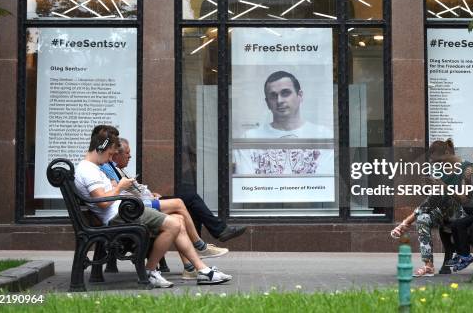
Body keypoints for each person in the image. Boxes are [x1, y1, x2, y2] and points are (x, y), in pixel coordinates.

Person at [77, 126, 232, 287]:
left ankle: (202, 270)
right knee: (174, 223)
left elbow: (104, 197)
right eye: (110, 154)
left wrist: (121, 189)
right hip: (120, 216)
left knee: (178, 218)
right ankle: (151, 271)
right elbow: (102, 202)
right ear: (101, 148)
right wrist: (119, 187)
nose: (110, 159)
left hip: (125, 211)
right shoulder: (88, 170)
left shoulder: (92, 168)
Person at [389, 139, 473, 277]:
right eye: (435, 163)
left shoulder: (467, 168)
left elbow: (465, 199)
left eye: (438, 161)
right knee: (422, 218)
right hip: (443, 210)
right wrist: (431, 187)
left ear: (447, 153)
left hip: (462, 213)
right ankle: (428, 265)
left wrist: (444, 188)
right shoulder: (441, 170)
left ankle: (406, 222)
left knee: (440, 195)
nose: (437, 165)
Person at [235, 71, 333, 175]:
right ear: (267, 103)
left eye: (285, 93)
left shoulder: (324, 135)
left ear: (300, 96)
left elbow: (324, 184)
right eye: (273, 95)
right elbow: (246, 186)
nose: (279, 100)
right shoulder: (249, 138)